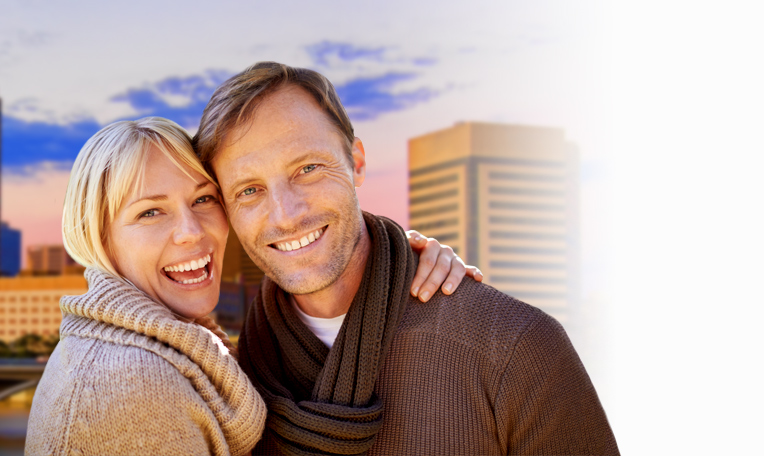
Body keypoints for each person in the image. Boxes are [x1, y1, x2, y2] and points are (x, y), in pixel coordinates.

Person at [193, 62, 617, 455]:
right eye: (249, 190)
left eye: (308, 168)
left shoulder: (515, 347)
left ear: (356, 162)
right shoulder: (232, 379)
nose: (287, 215)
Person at [24, 117, 479, 455]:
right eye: (150, 212)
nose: (191, 231)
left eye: (204, 199)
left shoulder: (172, 349)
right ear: (97, 236)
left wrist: (395, 260)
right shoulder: (130, 386)